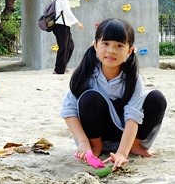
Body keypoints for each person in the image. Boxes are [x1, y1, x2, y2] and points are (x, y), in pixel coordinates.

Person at [60, 18, 167, 171]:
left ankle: (135, 146)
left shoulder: (133, 79)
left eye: (119, 46)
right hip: (96, 133)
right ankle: (95, 144)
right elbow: (69, 111)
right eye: (105, 44)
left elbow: (133, 118)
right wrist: (83, 142)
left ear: (130, 51)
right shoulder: (86, 75)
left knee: (157, 98)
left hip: (125, 135)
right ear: (95, 45)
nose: (111, 50)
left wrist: (122, 153)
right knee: (90, 98)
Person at [52, 0, 84, 74]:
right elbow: (67, 11)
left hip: (61, 25)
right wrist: (77, 22)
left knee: (69, 46)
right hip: (62, 26)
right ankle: (58, 70)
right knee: (64, 47)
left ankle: (62, 66)